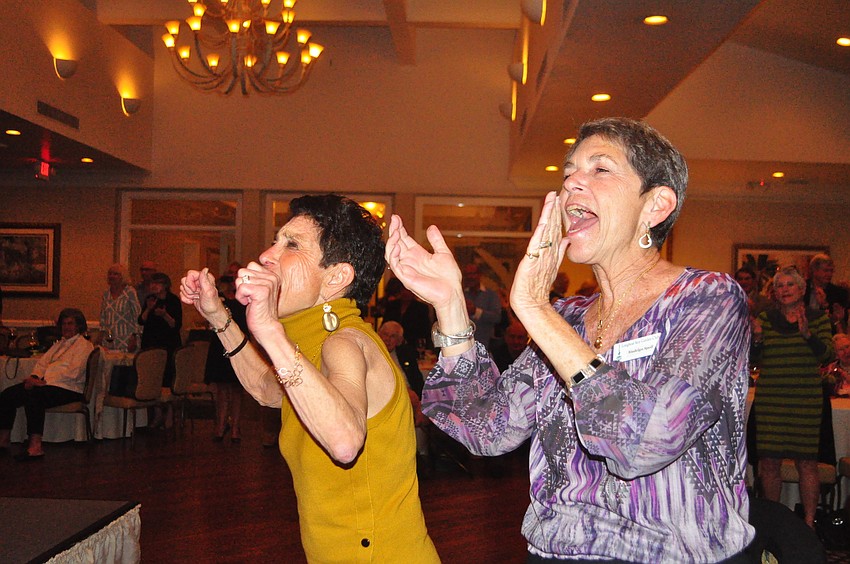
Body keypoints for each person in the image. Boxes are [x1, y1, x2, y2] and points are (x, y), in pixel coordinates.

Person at [386, 117, 755, 562]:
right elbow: (490, 430)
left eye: (599, 169)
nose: (571, 183)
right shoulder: (566, 318)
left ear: (655, 205)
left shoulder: (706, 300)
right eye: (568, 173)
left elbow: (645, 440)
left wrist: (537, 310)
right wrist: (450, 306)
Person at [179, 194, 439, 562]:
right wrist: (218, 316)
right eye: (275, 240)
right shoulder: (314, 341)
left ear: (337, 277)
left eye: (291, 245)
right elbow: (270, 390)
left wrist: (268, 328)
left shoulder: (345, 343)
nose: (268, 255)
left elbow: (345, 442)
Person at [751, 265, 833, 528]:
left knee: (807, 463)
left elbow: (827, 355)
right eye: (779, 286)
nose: (783, 290)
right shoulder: (765, 319)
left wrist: (808, 335)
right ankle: (773, 523)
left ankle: (809, 523)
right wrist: (757, 340)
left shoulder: (818, 318)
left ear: (802, 289)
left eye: (789, 285)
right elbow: (753, 361)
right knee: (769, 463)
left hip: (805, 401)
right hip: (772, 401)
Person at [0, 308, 94, 460]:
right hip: (48, 384)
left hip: (69, 388)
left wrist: (42, 382)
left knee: (35, 396)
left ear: (79, 326)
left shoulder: (84, 346)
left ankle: (35, 446)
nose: (66, 327)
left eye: (70, 323)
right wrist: (35, 377)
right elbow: (42, 362)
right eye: (64, 324)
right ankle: (3, 440)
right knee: (8, 394)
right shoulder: (60, 344)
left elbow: (73, 373)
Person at [378, 320, 430, 469]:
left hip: (410, 397)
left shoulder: (405, 352)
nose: (387, 339)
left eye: (393, 336)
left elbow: (417, 380)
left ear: (399, 341)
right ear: (378, 334)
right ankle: (413, 459)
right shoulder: (373, 352)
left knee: (424, 409)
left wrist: (420, 402)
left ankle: (420, 456)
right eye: (385, 334)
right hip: (388, 398)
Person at [205, 274, 246, 442]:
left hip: (238, 345)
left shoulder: (243, 300)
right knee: (221, 389)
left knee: (237, 389)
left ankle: (235, 427)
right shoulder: (218, 301)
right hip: (219, 346)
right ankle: (221, 425)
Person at [139, 272, 182, 428]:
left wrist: (164, 315)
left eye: (156, 283)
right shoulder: (150, 300)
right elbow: (141, 320)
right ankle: (157, 414)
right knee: (153, 380)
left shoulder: (173, 301)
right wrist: (149, 309)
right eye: (152, 284)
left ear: (165, 285)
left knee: (167, 380)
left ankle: (170, 414)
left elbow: (175, 325)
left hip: (168, 345)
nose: (153, 286)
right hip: (151, 344)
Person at [99, 263, 141, 352]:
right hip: (109, 339)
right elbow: (103, 317)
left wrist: (135, 336)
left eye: (116, 274)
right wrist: (100, 336)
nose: (112, 276)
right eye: (110, 273)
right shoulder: (106, 294)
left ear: (123, 276)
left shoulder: (130, 292)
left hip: (127, 339)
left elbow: (137, 316)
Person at [804, 254, 849, 334]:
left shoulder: (839, 293)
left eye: (831, 271)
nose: (829, 274)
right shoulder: (801, 289)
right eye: (825, 270)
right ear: (814, 271)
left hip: (829, 335)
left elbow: (843, 324)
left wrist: (825, 305)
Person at [461, 263, 502, 348]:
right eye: (467, 274)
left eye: (472, 274)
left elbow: (497, 318)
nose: (470, 277)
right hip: (464, 345)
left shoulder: (491, 295)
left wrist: (476, 311)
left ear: (479, 275)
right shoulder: (461, 295)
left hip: (485, 345)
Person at [822, 333, 850, 397]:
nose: (847, 352)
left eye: (847, 346)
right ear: (836, 354)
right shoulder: (831, 369)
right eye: (841, 349)